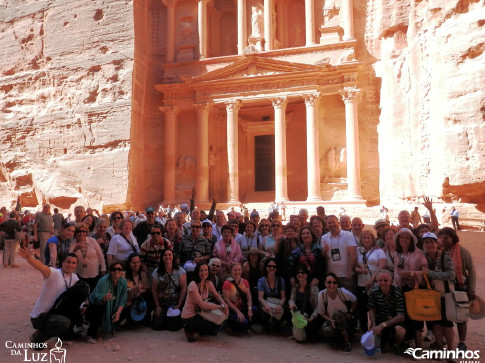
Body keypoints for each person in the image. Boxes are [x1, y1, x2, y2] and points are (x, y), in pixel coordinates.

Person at [18, 249, 86, 344]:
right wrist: (29, 258)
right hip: (40, 317)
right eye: (68, 262)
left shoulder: (75, 278)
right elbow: (41, 267)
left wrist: (83, 304)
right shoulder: (54, 273)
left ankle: (65, 334)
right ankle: (37, 338)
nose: (70, 265)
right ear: (62, 262)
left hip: (55, 314)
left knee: (75, 309)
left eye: (74, 263)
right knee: (64, 323)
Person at [438, 227, 476, 351]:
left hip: (460, 287)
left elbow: (472, 271)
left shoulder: (463, 252)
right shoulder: (439, 251)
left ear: (453, 238)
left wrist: (471, 290)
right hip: (444, 289)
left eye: (447, 238)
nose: (444, 240)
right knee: (444, 316)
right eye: (441, 237)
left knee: (461, 316)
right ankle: (444, 339)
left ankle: (462, 342)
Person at [393, 228, 427, 348]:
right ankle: (406, 343)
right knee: (404, 317)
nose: (404, 240)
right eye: (402, 237)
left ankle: (418, 348)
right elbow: (396, 271)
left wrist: (411, 274)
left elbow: (425, 272)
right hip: (400, 289)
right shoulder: (396, 253)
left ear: (411, 240)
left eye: (407, 237)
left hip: (415, 289)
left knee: (416, 318)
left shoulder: (418, 253)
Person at [421, 232, 455, 351]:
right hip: (431, 296)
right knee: (435, 323)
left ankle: (450, 350)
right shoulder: (422, 257)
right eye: (426, 242)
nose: (429, 244)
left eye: (431, 242)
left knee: (447, 324)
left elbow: (451, 275)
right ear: (423, 245)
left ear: (436, 243)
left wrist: (430, 273)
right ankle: (440, 348)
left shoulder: (445, 257)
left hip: (444, 295)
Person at [181, 262, 228, 342]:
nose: (204, 273)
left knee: (218, 326)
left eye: (206, 270)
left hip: (200, 312)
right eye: (201, 270)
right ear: (197, 272)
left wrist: (224, 304)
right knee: (216, 326)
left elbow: (216, 295)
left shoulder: (208, 283)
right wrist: (220, 307)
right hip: (190, 316)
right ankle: (189, 328)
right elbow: (203, 305)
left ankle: (198, 329)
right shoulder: (193, 285)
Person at [86, 262, 127, 342]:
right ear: (110, 271)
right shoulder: (103, 281)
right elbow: (96, 298)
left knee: (123, 309)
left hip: (112, 305)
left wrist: (118, 313)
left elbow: (123, 299)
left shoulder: (123, 282)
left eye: (119, 269)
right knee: (98, 309)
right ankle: (91, 334)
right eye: (114, 269)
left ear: (122, 271)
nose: (117, 271)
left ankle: (112, 326)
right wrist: (104, 299)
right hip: (96, 304)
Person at [368, 270, 406, 356]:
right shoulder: (374, 292)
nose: (382, 283)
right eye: (380, 280)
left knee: (400, 329)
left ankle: (397, 345)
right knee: (375, 344)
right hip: (380, 321)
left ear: (391, 281)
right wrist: (373, 324)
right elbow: (371, 309)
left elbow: (401, 316)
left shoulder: (397, 293)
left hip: (394, 322)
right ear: (377, 281)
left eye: (385, 280)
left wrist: (383, 325)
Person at [318, 272, 357, 354]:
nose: (332, 285)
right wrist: (331, 320)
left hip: (346, 320)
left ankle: (347, 342)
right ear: (325, 283)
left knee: (337, 314)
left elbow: (355, 300)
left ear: (337, 284)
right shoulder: (321, 295)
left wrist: (350, 312)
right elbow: (321, 313)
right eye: (329, 282)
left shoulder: (342, 292)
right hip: (332, 321)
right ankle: (338, 340)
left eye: (334, 282)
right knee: (325, 330)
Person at [354, 230, 385, 332]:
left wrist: (372, 280)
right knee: (362, 309)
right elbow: (355, 267)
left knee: (375, 308)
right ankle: (364, 331)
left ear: (373, 240)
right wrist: (360, 270)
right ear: (361, 240)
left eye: (369, 238)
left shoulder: (379, 251)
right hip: (361, 283)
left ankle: (375, 330)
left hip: (375, 283)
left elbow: (382, 266)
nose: (366, 240)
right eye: (364, 238)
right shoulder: (358, 251)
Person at [152, 249, 187, 331]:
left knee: (173, 327)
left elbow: (183, 288)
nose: (168, 257)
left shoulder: (180, 270)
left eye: (170, 255)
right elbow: (154, 290)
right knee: (157, 326)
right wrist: (157, 306)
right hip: (162, 303)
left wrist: (179, 304)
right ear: (162, 257)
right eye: (165, 255)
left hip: (174, 303)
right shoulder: (157, 272)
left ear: (173, 256)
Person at [321, 215, 357, 291]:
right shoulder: (324, 238)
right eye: (329, 223)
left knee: (348, 298)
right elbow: (325, 257)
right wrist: (324, 251)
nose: (331, 224)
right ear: (326, 225)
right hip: (331, 275)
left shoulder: (348, 235)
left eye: (333, 222)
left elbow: (353, 253)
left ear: (338, 223)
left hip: (345, 274)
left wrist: (349, 271)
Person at [288, 265, 321, 342]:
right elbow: (291, 299)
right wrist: (291, 304)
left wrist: (311, 318)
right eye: (298, 273)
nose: (300, 274)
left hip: (309, 315)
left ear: (307, 275)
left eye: (303, 272)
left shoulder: (313, 288)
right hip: (297, 313)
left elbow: (318, 307)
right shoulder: (295, 287)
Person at [69, 223, 106, 292]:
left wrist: (103, 268)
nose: (82, 233)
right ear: (75, 233)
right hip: (80, 275)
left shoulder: (92, 241)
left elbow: (100, 256)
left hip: (95, 273)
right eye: (79, 231)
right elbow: (70, 257)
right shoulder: (73, 244)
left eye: (84, 231)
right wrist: (75, 249)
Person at [223, 262, 254, 334]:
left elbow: (249, 298)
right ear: (231, 271)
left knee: (255, 310)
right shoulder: (227, 283)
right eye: (235, 270)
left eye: (239, 270)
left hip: (242, 308)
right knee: (244, 323)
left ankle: (244, 325)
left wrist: (249, 309)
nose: (237, 272)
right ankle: (232, 325)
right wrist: (238, 312)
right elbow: (226, 300)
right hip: (232, 310)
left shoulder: (245, 282)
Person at [257, 258, 286, 329]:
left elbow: (283, 297)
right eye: (269, 266)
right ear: (266, 267)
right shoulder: (261, 281)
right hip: (267, 303)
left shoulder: (281, 280)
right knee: (261, 309)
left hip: (277, 304)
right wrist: (266, 305)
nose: (271, 268)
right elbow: (260, 297)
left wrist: (280, 305)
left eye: (274, 267)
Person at [124, 253, 150, 325]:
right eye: (134, 263)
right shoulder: (124, 275)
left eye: (138, 262)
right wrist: (133, 289)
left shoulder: (142, 274)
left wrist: (139, 291)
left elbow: (146, 288)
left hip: (139, 299)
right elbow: (122, 291)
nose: (136, 265)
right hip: (128, 299)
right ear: (129, 263)